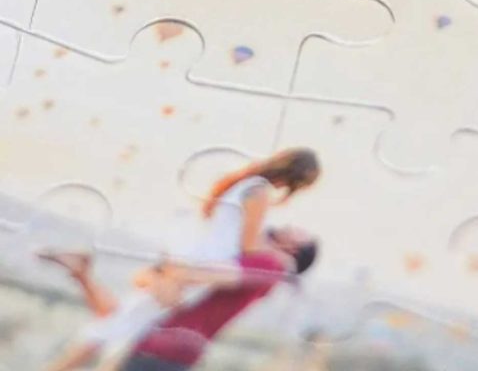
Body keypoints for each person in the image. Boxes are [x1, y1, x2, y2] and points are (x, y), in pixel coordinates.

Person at [40, 149, 321, 371]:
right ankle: (80, 276)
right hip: (206, 264)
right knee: (121, 321)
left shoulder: (244, 184)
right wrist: (279, 262)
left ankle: (81, 273)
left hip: (199, 258)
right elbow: (249, 246)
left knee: (126, 316)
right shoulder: (259, 192)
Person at [46, 226, 318, 371]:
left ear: (294, 249)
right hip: (171, 348)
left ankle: (80, 272)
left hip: (164, 349)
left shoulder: (271, 264)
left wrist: (170, 260)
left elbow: (197, 276)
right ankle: (81, 273)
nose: (289, 226)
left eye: (297, 232)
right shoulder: (263, 267)